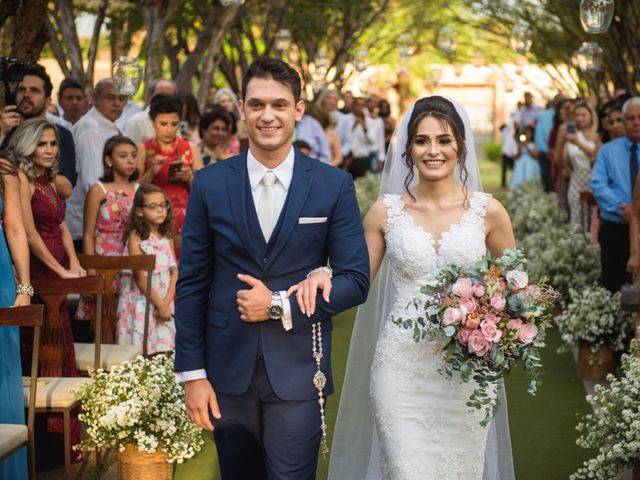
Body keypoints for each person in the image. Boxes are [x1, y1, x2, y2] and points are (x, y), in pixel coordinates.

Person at [294, 96, 516, 478]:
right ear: (407, 148)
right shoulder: (386, 211)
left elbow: (517, 287)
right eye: (422, 140)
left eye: (444, 140)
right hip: (400, 369)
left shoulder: (488, 211)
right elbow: (357, 274)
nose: (433, 151)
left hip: (465, 374)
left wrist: (487, 319)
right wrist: (323, 274)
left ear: (460, 146)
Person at [174, 57, 370, 480]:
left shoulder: (332, 185)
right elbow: (190, 285)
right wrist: (192, 375)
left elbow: (356, 279)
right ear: (241, 108)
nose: (268, 116)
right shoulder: (209, 184)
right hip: (227, 370)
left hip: (299, 369)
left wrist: (280, 306)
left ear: (298, 110)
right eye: (258, 104)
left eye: (280, 105)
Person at [9, 118, 85, 467]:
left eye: (53, 144)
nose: (50, 150)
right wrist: (58, 270)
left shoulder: (49, 181)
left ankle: (62, 448)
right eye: (42, 144)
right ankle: (43, 449)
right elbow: (27, 232)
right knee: (42, 353)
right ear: (27, 145)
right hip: (38, 275)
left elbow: (60, 227)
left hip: (58, 273)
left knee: (62, 350)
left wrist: (74, 263)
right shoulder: (20, 179)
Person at [75, 136, 139, 322]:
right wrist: (91, 269)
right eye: (123, 155)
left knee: (127, 316)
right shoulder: (98, 189)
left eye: (134, 156)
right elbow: (87, 234)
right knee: (103, 317)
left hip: (131, 257)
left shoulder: (140, 189)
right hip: (103, 257)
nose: (130, 160)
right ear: (109, 160)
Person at [137, 94, 203, 253]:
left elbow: (204, 189)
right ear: (152, 122)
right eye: (163, 124)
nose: (169, 129)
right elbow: (134, 189)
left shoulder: (190, 147)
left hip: (187, 216)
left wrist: (189, 179)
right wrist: (151, 173)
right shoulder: (143, 149)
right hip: (154, 217)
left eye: (174, 124)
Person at [66, 79, 127, 250]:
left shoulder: (111, 125)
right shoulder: (90, 128)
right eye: (110, 97)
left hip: (107, 224)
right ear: (95, 98)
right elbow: (93, 183)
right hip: (87, 227)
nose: (117, 103)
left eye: (121, 98)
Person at [0, 65, 77, 200]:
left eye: (34, 90)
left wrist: (31, 169)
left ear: (47, 102)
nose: (26, 95)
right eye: (21, 89)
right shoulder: (5, 128)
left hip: (47, 216)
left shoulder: (61, 134)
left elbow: (66, 189)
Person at [0, 154, 32, 480]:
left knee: (3, 368)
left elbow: (15, 228)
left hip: (0, 278)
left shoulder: (5, 169)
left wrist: (24, 287)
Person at [116, 184, 177, 354]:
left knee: (163, 348)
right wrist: (159, 304)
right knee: (140, 349)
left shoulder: (167, 236)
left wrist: (167, 301)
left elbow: (174, 270)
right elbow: (139, 277)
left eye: (163, 205)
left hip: (164, 298)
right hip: (143, 300)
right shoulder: (136, 238)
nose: (160, 210)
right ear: (140, 211)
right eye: (153, 206)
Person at [592, 97, 640, 292]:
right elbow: (598, 184)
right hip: (615, 226)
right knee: (614, 283)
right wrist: (626, 208)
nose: (636, 122)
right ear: (624, 120)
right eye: (630, 118)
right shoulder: (608, 151)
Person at [562, 101, 600, 230]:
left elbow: (596, 156)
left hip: (593, 179)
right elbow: (565, 160)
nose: (580, 118)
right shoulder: (572, 135)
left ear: (591, 115)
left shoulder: (597, 135)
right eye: (577, 115)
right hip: (576, 178)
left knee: (591, 217)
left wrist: (577, 143)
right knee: (576, 215)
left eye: (583, 115)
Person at [124, 78, 177, 144]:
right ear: (150, 96)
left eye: (170, 97)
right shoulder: (136, 122)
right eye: (161, 96)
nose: (165, 100)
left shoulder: (175, 121)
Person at [345, 97, 377, 178]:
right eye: (358, 105)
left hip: (362, 160)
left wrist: (364, 127)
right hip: (347, 159)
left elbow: (372, 141)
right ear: (353, 105)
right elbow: (344, 137)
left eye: (362, 105)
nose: (359, 107)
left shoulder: (370, 121)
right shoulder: (346, 119)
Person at [509, 125, 541, 190]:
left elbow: (536, 155)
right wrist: (519, 146)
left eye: (529, 133)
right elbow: (517, 156)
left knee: (530, 178)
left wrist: (526, 145)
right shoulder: (520, 143)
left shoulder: (534, 144)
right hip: (521, 164)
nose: (527, 135)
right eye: (525, 133)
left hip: (531, 164)